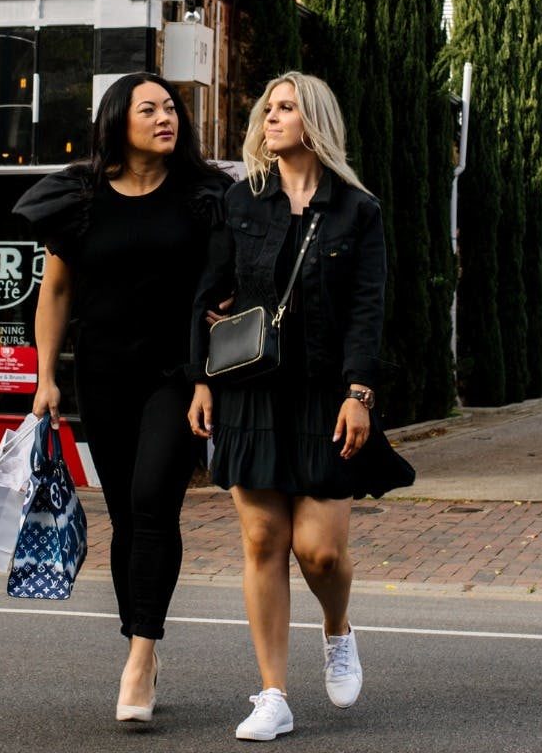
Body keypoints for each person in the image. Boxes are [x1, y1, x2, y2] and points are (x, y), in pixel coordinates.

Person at [187, 72, 412, 742]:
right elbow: (209, 296)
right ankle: (272, 695)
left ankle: (338, 629)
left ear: (313, 121)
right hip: (249, 392)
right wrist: (201, 379)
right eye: (267, 110)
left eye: (284, 109)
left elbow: (369, 309)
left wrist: (359, 393)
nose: (270, 119)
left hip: (325, 398)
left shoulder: (357, 211)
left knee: (317, 553)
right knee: (262, 540)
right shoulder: (240, 202)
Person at [14, 71, 227, 724]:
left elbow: (225, 288)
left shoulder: (203, 196)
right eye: (150, 108)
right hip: (102, 377)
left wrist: (207, 373)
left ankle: (140, 654)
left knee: (151, 502)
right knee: (126, 519)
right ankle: (142, 637)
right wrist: (45, 377)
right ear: (118, 120)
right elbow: (54, 294)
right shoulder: (80, 200)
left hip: (175, 376)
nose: (167, 117)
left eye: (171, 108)